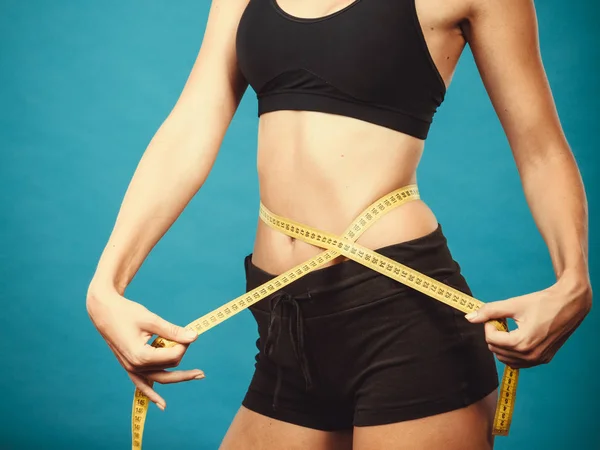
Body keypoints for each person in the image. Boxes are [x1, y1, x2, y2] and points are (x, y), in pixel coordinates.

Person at [86, 0, 592, 449]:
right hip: (283, 320)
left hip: (400, 312)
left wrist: (573, 279)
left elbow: (541, 148)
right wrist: (106, 285)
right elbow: (194, 118)